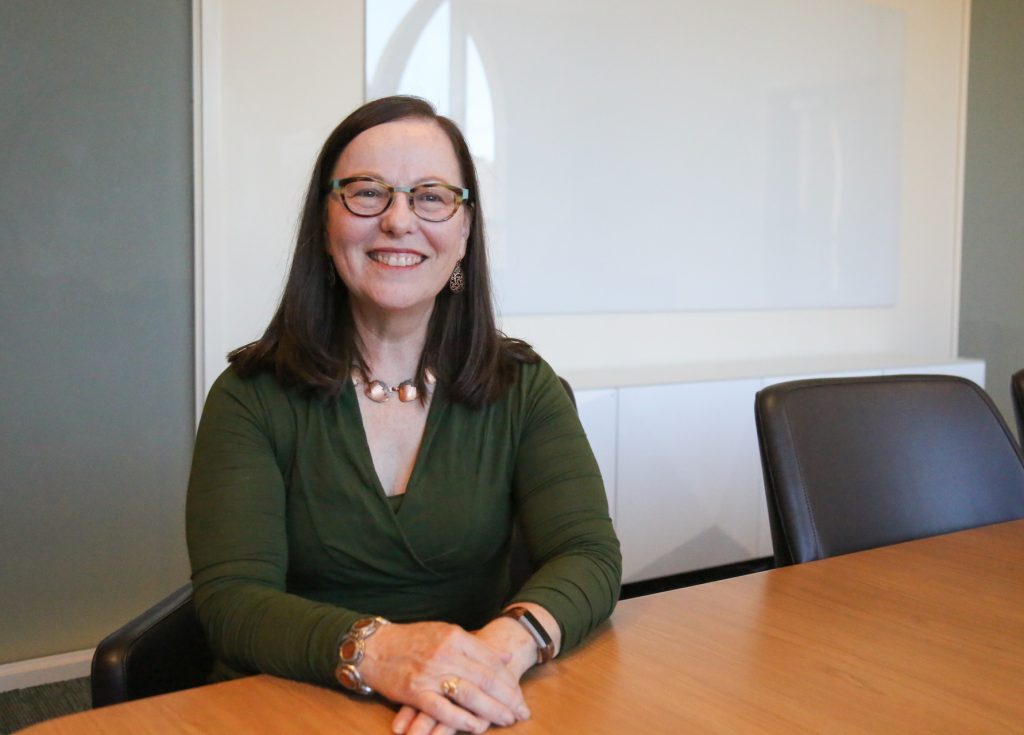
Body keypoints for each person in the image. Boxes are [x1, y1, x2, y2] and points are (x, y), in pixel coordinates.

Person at [185, 95, 621, 735]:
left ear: (465, 229)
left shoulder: (526, 387)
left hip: (463, 710)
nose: (398, 220)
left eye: (431, 196)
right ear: (325, 221)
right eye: (366, 193)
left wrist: (497, 652)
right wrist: (384, 654)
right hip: (281, 709)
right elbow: (231, 602)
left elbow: (589, 554)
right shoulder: (249, 396)